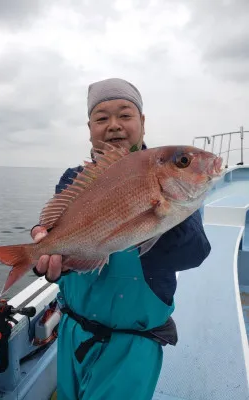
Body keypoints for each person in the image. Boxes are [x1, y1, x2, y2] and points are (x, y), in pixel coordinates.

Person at [31, 78, 211, 400]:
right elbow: (61, 227)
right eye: (101, 118)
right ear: (89, 128)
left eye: (125, 115)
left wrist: (154, 206)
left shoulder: (171, 183)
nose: (113, 126)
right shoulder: (73, 177)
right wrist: (46, 243)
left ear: (142, 122)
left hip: (132, 343)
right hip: (72, 331)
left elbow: (194, 252)